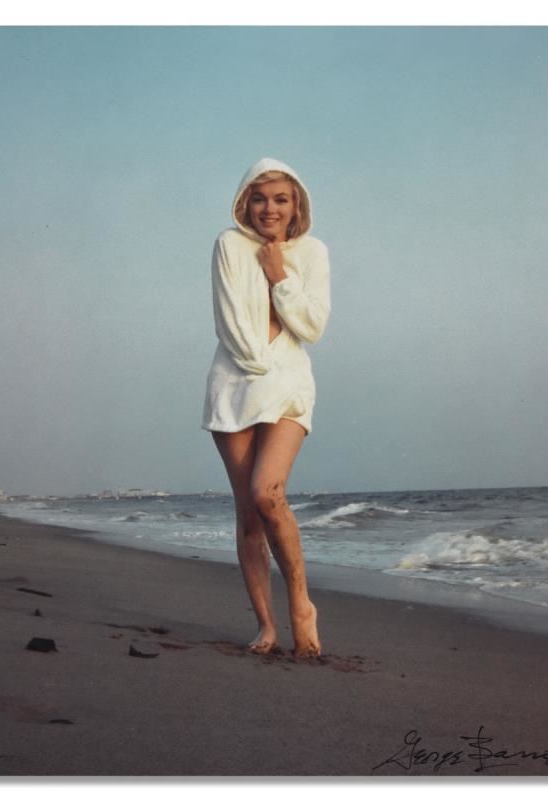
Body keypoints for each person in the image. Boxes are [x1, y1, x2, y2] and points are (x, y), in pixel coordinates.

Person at [201, 157, 331, 657]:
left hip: (290, 386)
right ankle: (267, 626)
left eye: (280, 199)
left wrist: (280, 276)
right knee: (248, 514)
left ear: (297, 204)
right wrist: (261, 364)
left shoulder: (313, 253)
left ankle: (301, 604)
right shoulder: (229, 245)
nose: (269, 209)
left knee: (267, 493)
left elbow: (312, 327)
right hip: (235, 381)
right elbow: (231, 321)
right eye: (259, 199)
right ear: (244, 202)